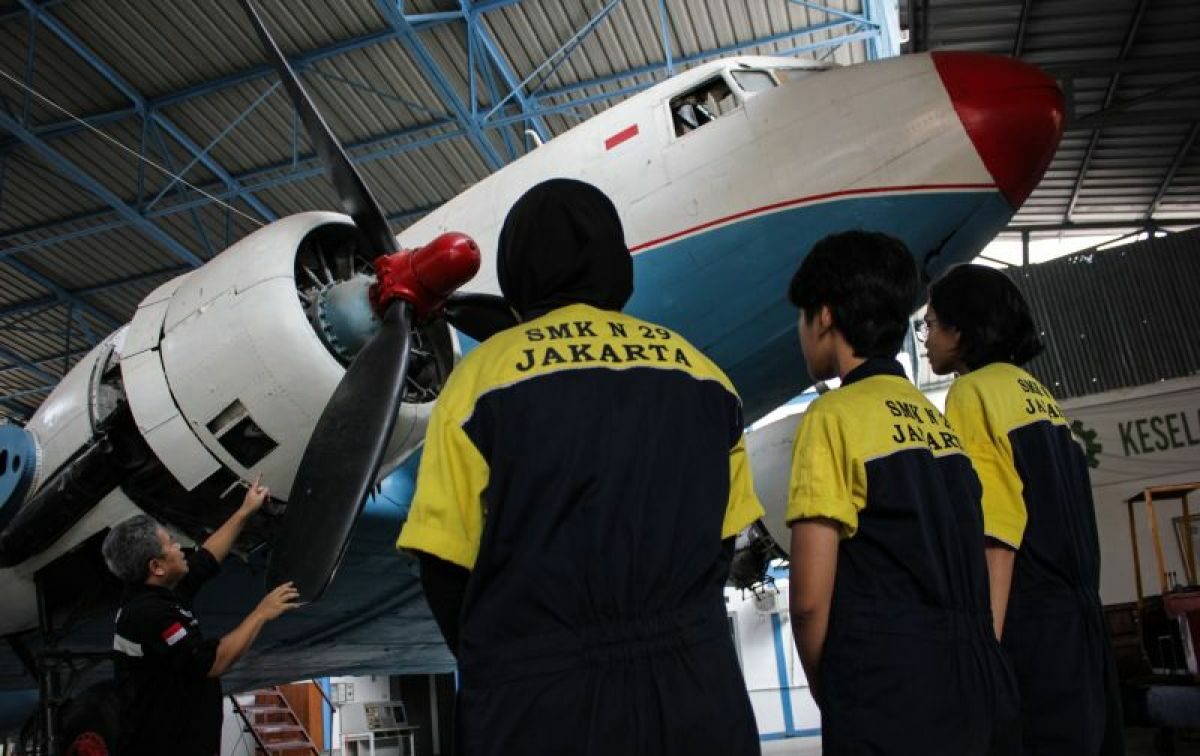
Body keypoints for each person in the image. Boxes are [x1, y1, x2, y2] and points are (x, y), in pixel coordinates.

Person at [397, 178, 763, 756]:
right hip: (696, 691)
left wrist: (506, 663)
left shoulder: (480, 381)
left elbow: (445, 561)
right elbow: (722, 542)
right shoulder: (703, 375)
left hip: (540, 704)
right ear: (617, 266)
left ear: (518, 271)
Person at [785, 231, 1019, 755]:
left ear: (824, 317)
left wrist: (838, 685)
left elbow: (806, 600)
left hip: (888, 686)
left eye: (800, 318)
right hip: (978, 681)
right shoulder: (939, 427)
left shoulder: (831, 417)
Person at [923, 263, 1124, 755]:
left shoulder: (972, 393)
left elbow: (999, 531)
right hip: (1082, 625)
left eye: (930, 323)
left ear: (961, 330)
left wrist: (984, 650)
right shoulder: (1038, 395)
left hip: (1031, 628)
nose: (925, 337)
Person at [101, 477, 300, 756]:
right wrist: (261, 613)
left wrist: (245, 511)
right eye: (170, 544)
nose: (180, 548)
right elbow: (213, 662)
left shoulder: (158, 588)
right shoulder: (149, 614)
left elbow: (207, 558)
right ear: (156, 566)